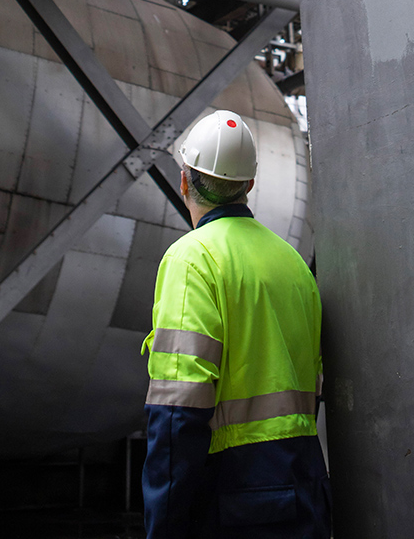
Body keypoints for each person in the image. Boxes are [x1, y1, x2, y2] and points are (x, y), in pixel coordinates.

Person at [141, 109, 331, 539]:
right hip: (305, 494)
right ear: (248, 184)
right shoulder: (294, 265)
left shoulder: (193, 259)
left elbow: (178, 411)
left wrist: (163, 524)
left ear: (185, 180)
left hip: (237, 502)